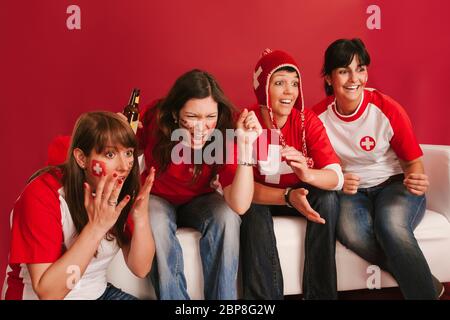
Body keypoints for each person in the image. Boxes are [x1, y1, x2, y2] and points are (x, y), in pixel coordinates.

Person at [312, 38, 443, 299]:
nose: (354, 78)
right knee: (350, 230)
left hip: (395, 185)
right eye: (343, 70)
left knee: (390, 225)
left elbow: (413, 163)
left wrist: (418, 178)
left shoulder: (387, 109)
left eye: (360, 69)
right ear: (328, 78)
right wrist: (339, 179)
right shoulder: (317, 118)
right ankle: (426, 282)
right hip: (353, 192)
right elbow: (321, 168)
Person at [3, 111, 156, 300]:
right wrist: (95, 228)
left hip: (97, 293)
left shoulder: (119, 191)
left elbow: (141, 268)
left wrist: (141, 218)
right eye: (110, 154)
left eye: (128, 153)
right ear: (82, 158)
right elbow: (48, 292)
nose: (125, 166)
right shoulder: (41, 195)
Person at [138, 69, 262, 300]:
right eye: (192, 117)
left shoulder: (226, 128)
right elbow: (125, 150)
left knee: (227, 216)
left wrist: (246, 144)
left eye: (209, 117)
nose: (201, 127)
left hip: (200, 199)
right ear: (175, 113)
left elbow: (240, 205)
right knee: (154, 221)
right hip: (158, 196)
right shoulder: (154, 116)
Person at [240, 49, 344, 300]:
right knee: (250, 211)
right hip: (266, 198)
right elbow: (237, 189)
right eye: (279, 84)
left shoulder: (306, 120)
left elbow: (336, 177)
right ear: (263, 89)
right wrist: (287, 195)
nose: (289, 92)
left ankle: (321, 296)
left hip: (301, 194)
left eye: (295, 84)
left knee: (328, 198)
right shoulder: (247, 122)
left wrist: (307, 175)